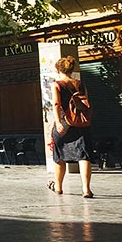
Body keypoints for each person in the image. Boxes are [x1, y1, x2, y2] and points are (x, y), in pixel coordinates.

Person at [48, 55, 93, 198]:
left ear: (58, 70)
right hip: (80, 123)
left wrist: (58, 122)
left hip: (64, 122)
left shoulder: (57, 85)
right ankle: (86, 189)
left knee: (59, 156)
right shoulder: (80, 84)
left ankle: (58, 187)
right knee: (83, 155)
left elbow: (56, 104)